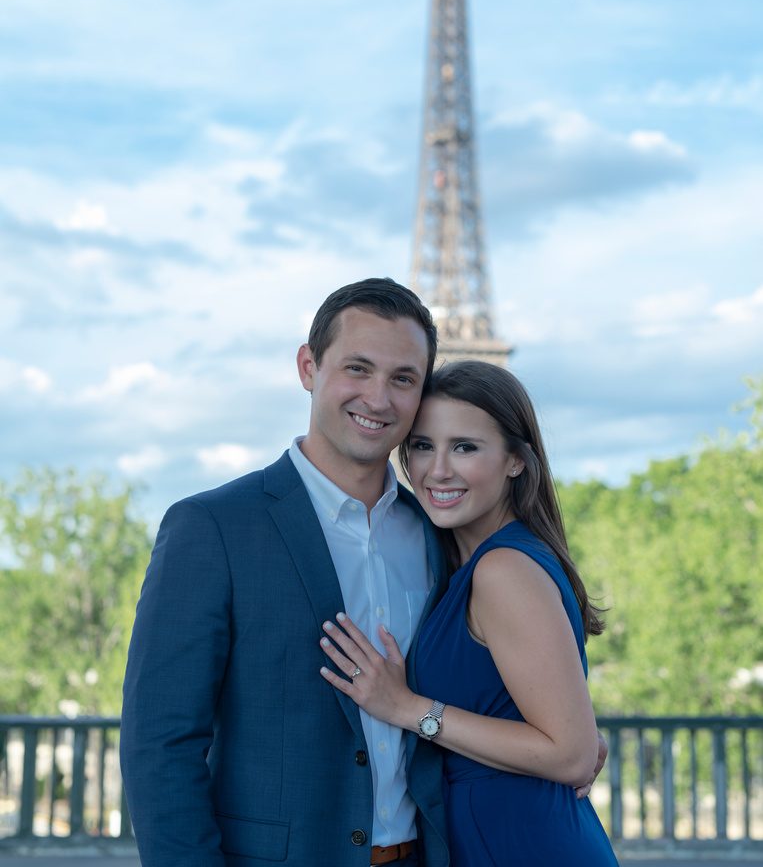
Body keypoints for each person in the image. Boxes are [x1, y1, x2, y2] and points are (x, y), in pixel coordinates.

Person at [120, 278, 451, 867]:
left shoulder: (436, 535)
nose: (378, 398)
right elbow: (160, 745)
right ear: (308, 367)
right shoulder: (212, 527)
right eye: (358, 368)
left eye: (403, 379)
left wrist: (561, 737)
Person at [318, 360, 619, 866]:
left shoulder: (503, 569)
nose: (437, 470)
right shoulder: (467, 562)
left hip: (525, 844)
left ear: (516, 460)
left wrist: (408, 708)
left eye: (465, 447)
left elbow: (571, 756)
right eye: (422, 446)